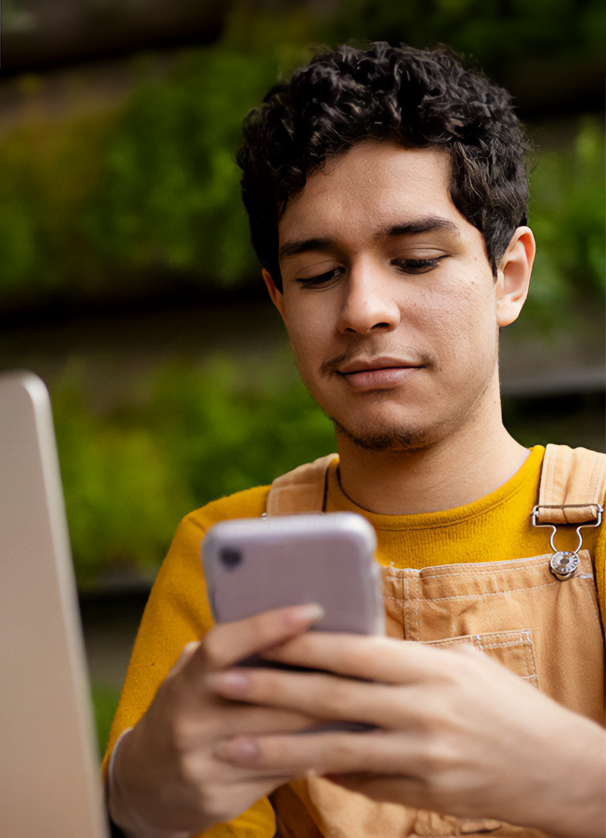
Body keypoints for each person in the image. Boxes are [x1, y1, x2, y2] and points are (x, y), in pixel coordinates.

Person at [104, 43, 606, 838]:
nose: (363, 308)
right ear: (277, 298)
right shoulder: (223, 551)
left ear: (509, 275)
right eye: (316, 275)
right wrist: (134, 799)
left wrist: (577, 780)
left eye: (414, 259)